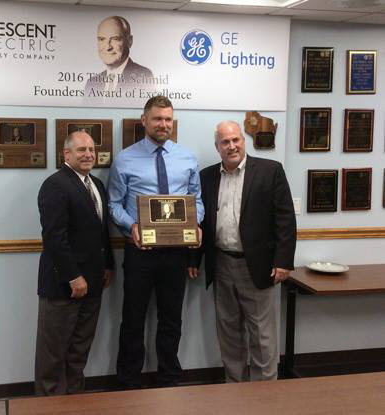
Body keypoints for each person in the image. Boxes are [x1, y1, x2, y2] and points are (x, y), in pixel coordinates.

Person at [108, 95, 204, 389]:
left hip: (176, 253)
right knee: (133, 320)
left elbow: (196, 200)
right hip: (140, 252)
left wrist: (195, 223)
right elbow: (113, 205)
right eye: (157, 119)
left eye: (168, 119)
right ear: (144, 121)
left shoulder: (187, 158)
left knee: (171, 320)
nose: (163, 124)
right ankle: (128, 382)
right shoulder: (125, 158)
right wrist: (132, 225)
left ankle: (169, 380)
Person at [189, 121, 296, 382]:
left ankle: (264, 397)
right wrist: (194, 260)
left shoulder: (270, 171)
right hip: (222, 263)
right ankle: (234, 393)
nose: (232, 146)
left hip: (257, 266)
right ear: (217, 147)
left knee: (262, 336)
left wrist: (283, 261)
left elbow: (285, 219)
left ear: (243, 141)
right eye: (225, 142)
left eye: (236, 139)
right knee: (229, 333)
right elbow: (200, 222)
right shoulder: (207, 177)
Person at [35, 131, 114, 395]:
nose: (88, 154)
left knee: (79, 351)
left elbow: (102, 233)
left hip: (93, 284)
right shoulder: (55, 185)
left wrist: (108, 266)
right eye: (81, 150)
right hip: (64, 286)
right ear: (66, 154)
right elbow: (54, 237)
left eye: (91, 149)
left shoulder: (96, 186)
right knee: (53, 355)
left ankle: (74, 403)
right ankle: (49, 406)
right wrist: (72, 276)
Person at [84, 16, 153, 95]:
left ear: (129, 41)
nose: (108, 47)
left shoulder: (143, 75)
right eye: (102, 39)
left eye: (115, 39)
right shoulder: (91, 83)